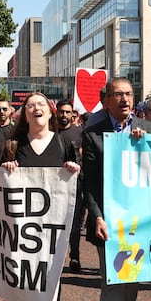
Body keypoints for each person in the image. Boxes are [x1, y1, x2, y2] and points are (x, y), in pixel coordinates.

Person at [0, 92, 80, 301]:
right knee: (24, 277)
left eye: (41, 105)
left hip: (53, 230)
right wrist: (6, 168)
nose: (36, 108)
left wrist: (74, 169)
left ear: (51, 112)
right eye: (30, 105)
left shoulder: (64, 142)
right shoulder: (12, 144)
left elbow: (73, 186)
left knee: (48, 282)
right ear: (24, 114)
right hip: (22, 227)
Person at [82, 77, 151, 301]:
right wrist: (96, 215)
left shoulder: (148, 129)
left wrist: (145, 146)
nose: (125, 99)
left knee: (131, 281)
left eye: (129, 94)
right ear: (106, 101)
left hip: (140, 220)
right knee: (112, 280)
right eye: (118, 95)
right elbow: (89, 182)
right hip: (108, 221)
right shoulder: (93, 134)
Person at [56, 99, 84, 273]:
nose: (64, 115)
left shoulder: (79, 133)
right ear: (56, 112)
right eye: (61, 112)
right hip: (53, 184)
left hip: (75, 184)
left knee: (74, 223)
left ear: (73, 114)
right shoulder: (49, 132)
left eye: (68, 112)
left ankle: (74, 255)